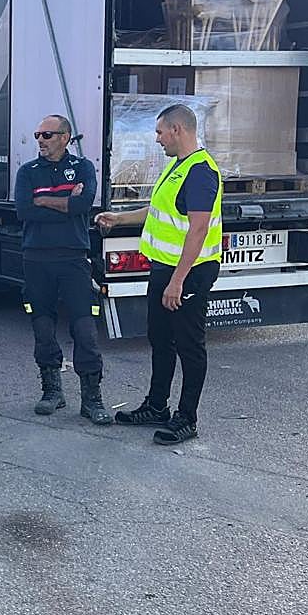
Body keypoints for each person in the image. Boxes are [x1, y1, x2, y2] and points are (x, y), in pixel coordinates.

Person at [95, 103, 223, 445]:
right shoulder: (178, 167)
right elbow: (159, 211)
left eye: (159, 132)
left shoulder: (200, 171)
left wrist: (178, 282)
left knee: (189, 346)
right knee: (160, 340)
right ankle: (156, 405)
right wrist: (119, 218)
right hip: (164, 269)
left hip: (189, 274)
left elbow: (197, 230)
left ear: (177, 130)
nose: (156, 139)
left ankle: (187, 418)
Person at [14, 115, 112, 425]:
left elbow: (83, 205)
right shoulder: (27, 172)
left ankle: (92, 399)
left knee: (85, 329)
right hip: (36, 259)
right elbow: (24, 210)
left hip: (73, 259)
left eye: (47, 134)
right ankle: (52, 391)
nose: (40, 140)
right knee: (42, 327)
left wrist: (45, 200)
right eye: (37, 134)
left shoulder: (83, 167)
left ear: (65, 138)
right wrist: (61, 203)